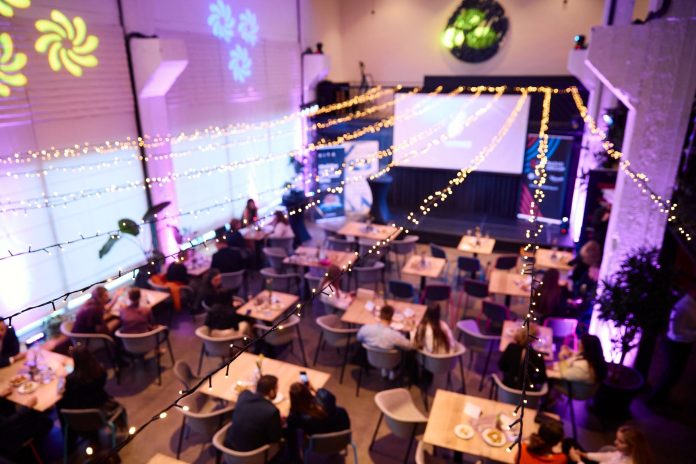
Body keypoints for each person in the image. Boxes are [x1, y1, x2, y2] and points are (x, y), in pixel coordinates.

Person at [58, 345, 128, 445]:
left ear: (75, 360)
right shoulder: (101, 372)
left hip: (80, 416)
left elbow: (67, 396)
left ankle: (70, 441)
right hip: (100, 410)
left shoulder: (71, 380)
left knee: (60, 404)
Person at [648, 286, 696, 407]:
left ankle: (662, 398)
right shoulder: (683, 306)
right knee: (671, 374)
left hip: (685, 343)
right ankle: (653, 400)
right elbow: (675, 331)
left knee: (676, 373)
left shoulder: (692, 305)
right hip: (675, 344)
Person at [286, 382, 350, 462]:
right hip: (339, 445)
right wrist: (314, 390)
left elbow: (291, 432)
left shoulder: (301, 420)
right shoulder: (341, 412)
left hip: (317, 449)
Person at [224, 375, 282, 459]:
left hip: (230, 447)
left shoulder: (243, 395)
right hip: (252, 455)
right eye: (276, 388)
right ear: (271, 392)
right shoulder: (272, 411)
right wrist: (278, 423)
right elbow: (275, 439)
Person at [357, 305, 413, 380]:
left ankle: (385, 369)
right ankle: (392, 370)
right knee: (398, 347)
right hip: (391, 361)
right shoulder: (395, 335)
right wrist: (403, 336)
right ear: (392, 318)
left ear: (379, 316)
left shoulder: (365, 329)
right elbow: (409, 347)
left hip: (372, 359)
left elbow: (359, 338)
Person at [0, 387, 53, 460]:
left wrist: (1, 396)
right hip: (8, 438)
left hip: (6, 430)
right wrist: (27, 407)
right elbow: (8, 424)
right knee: (45, 421)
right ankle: (31, 449)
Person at [569, 424, 654, 464]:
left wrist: (578, 461)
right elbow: (608, 456)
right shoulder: (626, 452)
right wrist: (584, 455)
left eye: (620, 442)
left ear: (632, 446)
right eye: (617, 439)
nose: (615, 442)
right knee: (571, 442)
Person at [498, 325, 547, 391]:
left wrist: (512, 373)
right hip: (527, 393)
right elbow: (542, 378)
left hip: (507, 390)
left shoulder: (511, 347)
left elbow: (501, 366)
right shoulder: (536, 356)